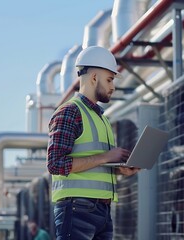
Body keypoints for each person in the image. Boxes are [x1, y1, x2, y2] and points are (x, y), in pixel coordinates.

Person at [47, 46, 140, 240]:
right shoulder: (70, 112)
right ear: (94, 77)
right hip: (76, 209)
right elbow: (55, 164)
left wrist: (118, 169)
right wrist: (106, 156)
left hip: (103, 211)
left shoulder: (101, 118)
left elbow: (95, 165)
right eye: (109, 79)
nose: (113, 87)